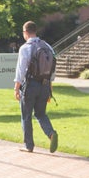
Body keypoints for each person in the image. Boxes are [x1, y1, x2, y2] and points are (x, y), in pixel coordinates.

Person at [14, 21, 58, 153]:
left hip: (30, 85)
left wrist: (16, 87)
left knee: (26, 115)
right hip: (44, 85)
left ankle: (29, 145)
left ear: (25, 32)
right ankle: (51, 133)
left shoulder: (25, 48)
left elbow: (21, 70)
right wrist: (50, 87)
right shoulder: (48, 47)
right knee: (40, 114)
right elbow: (53, 68)